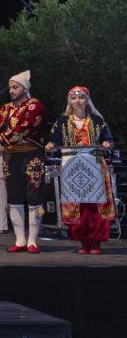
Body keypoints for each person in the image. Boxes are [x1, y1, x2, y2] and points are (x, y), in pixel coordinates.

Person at [46, 86, 116, 255]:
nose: (77, 101)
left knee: (95, 205)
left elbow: (108, 140)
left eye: (81, 97)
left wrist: (106, 144)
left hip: (95, 167)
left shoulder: (98, 121)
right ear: (69, 101)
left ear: (87, 100)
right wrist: (50, 145)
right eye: (73, 98)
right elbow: (53, 141)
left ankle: (96, 243)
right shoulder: (61, 122)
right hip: (73, 168)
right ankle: (84, 242)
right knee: (79, 205)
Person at [0, 70, 46, 254]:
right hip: (11, 156)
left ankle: (32, 240)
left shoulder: (35, 106)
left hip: (31, 154)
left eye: (15, 87)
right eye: (10, 87)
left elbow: (24, 129)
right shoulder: (5, 108)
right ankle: (20, 240)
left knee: (34, 196)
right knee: (14, 197)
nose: (11, 90)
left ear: (25, 88)